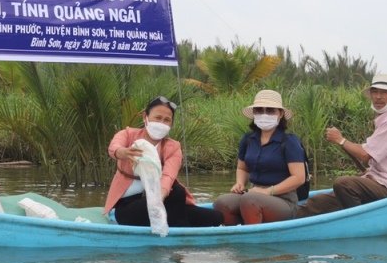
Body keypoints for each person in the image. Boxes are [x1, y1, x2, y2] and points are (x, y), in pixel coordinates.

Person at [302, 73, 387, 215]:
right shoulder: (386, 120)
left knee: (344, 184)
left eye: (384, 93)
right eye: (375, 92)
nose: (378, 97)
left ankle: (359, 220)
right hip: (380, 181)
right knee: (316, 202)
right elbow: (369, 152)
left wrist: (340, 140)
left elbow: (365, 155)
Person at [104, 96, 223, 227]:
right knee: (177, 193)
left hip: (161, 197)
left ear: (171, 124)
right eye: (158, 118)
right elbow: (114, 147)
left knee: (216, 217)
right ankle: (181, 230)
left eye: (167, 120)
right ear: (145, 117)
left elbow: (168, 175)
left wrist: (160, 196)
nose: (161, 123)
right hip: (128, 206)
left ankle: (178, 225)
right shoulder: (127, 134)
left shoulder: (173, 147)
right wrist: (122, 152)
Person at [213, 90, 307, 225]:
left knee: (250, 200)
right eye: (259, 110)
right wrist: (240, 183)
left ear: (280, 114)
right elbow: (242, 168)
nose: (264, 114)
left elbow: (299, 178)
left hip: (283, 199)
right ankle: (237, 235)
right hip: (252, 193)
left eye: (270, 110)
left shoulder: (289, 141)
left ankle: (252, 235)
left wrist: (268, 191)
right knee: (222, 203)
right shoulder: (248, 139)